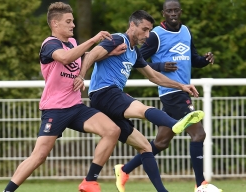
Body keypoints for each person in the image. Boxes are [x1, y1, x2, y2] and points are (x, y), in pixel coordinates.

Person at [2, 2, 127, 192]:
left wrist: (109, 53)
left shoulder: (73, 44)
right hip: (55, 109)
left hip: (75, 107)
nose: (73, 25)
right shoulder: (49, 45)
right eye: (68, 21)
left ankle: (89, 181)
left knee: (112, 131)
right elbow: (66, 58)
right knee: (39, 156)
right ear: (55, 24)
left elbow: (83, 56)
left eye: (73, 21)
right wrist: (94, 39)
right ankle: (7, 190)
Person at [78, 9, 205, 192]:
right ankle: (177, 123)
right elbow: (90, 55)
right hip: (104, 93)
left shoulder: (134, 52)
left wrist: (182, 86)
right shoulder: (117, 39)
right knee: (141, 108)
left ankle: (90, 181)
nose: (147, 35)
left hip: (111, 99)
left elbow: (154, 76)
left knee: (145, 146)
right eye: (144, 30)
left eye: (149, 31)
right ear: (132, 25)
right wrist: (81, 77)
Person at [113, 1, 218, 192]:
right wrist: (160, 66)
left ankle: (124, 170)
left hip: (181, 91)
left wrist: (204, 60)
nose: (173, 14)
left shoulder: (185, 31)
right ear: (164, 13)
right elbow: (137, 61)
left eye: (176, 10)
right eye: (169, 11)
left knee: (160, 142)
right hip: (171, 93)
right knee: (199, 134)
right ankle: (201, 184)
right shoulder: (155, 36)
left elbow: (193, 58)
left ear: (181, 12)